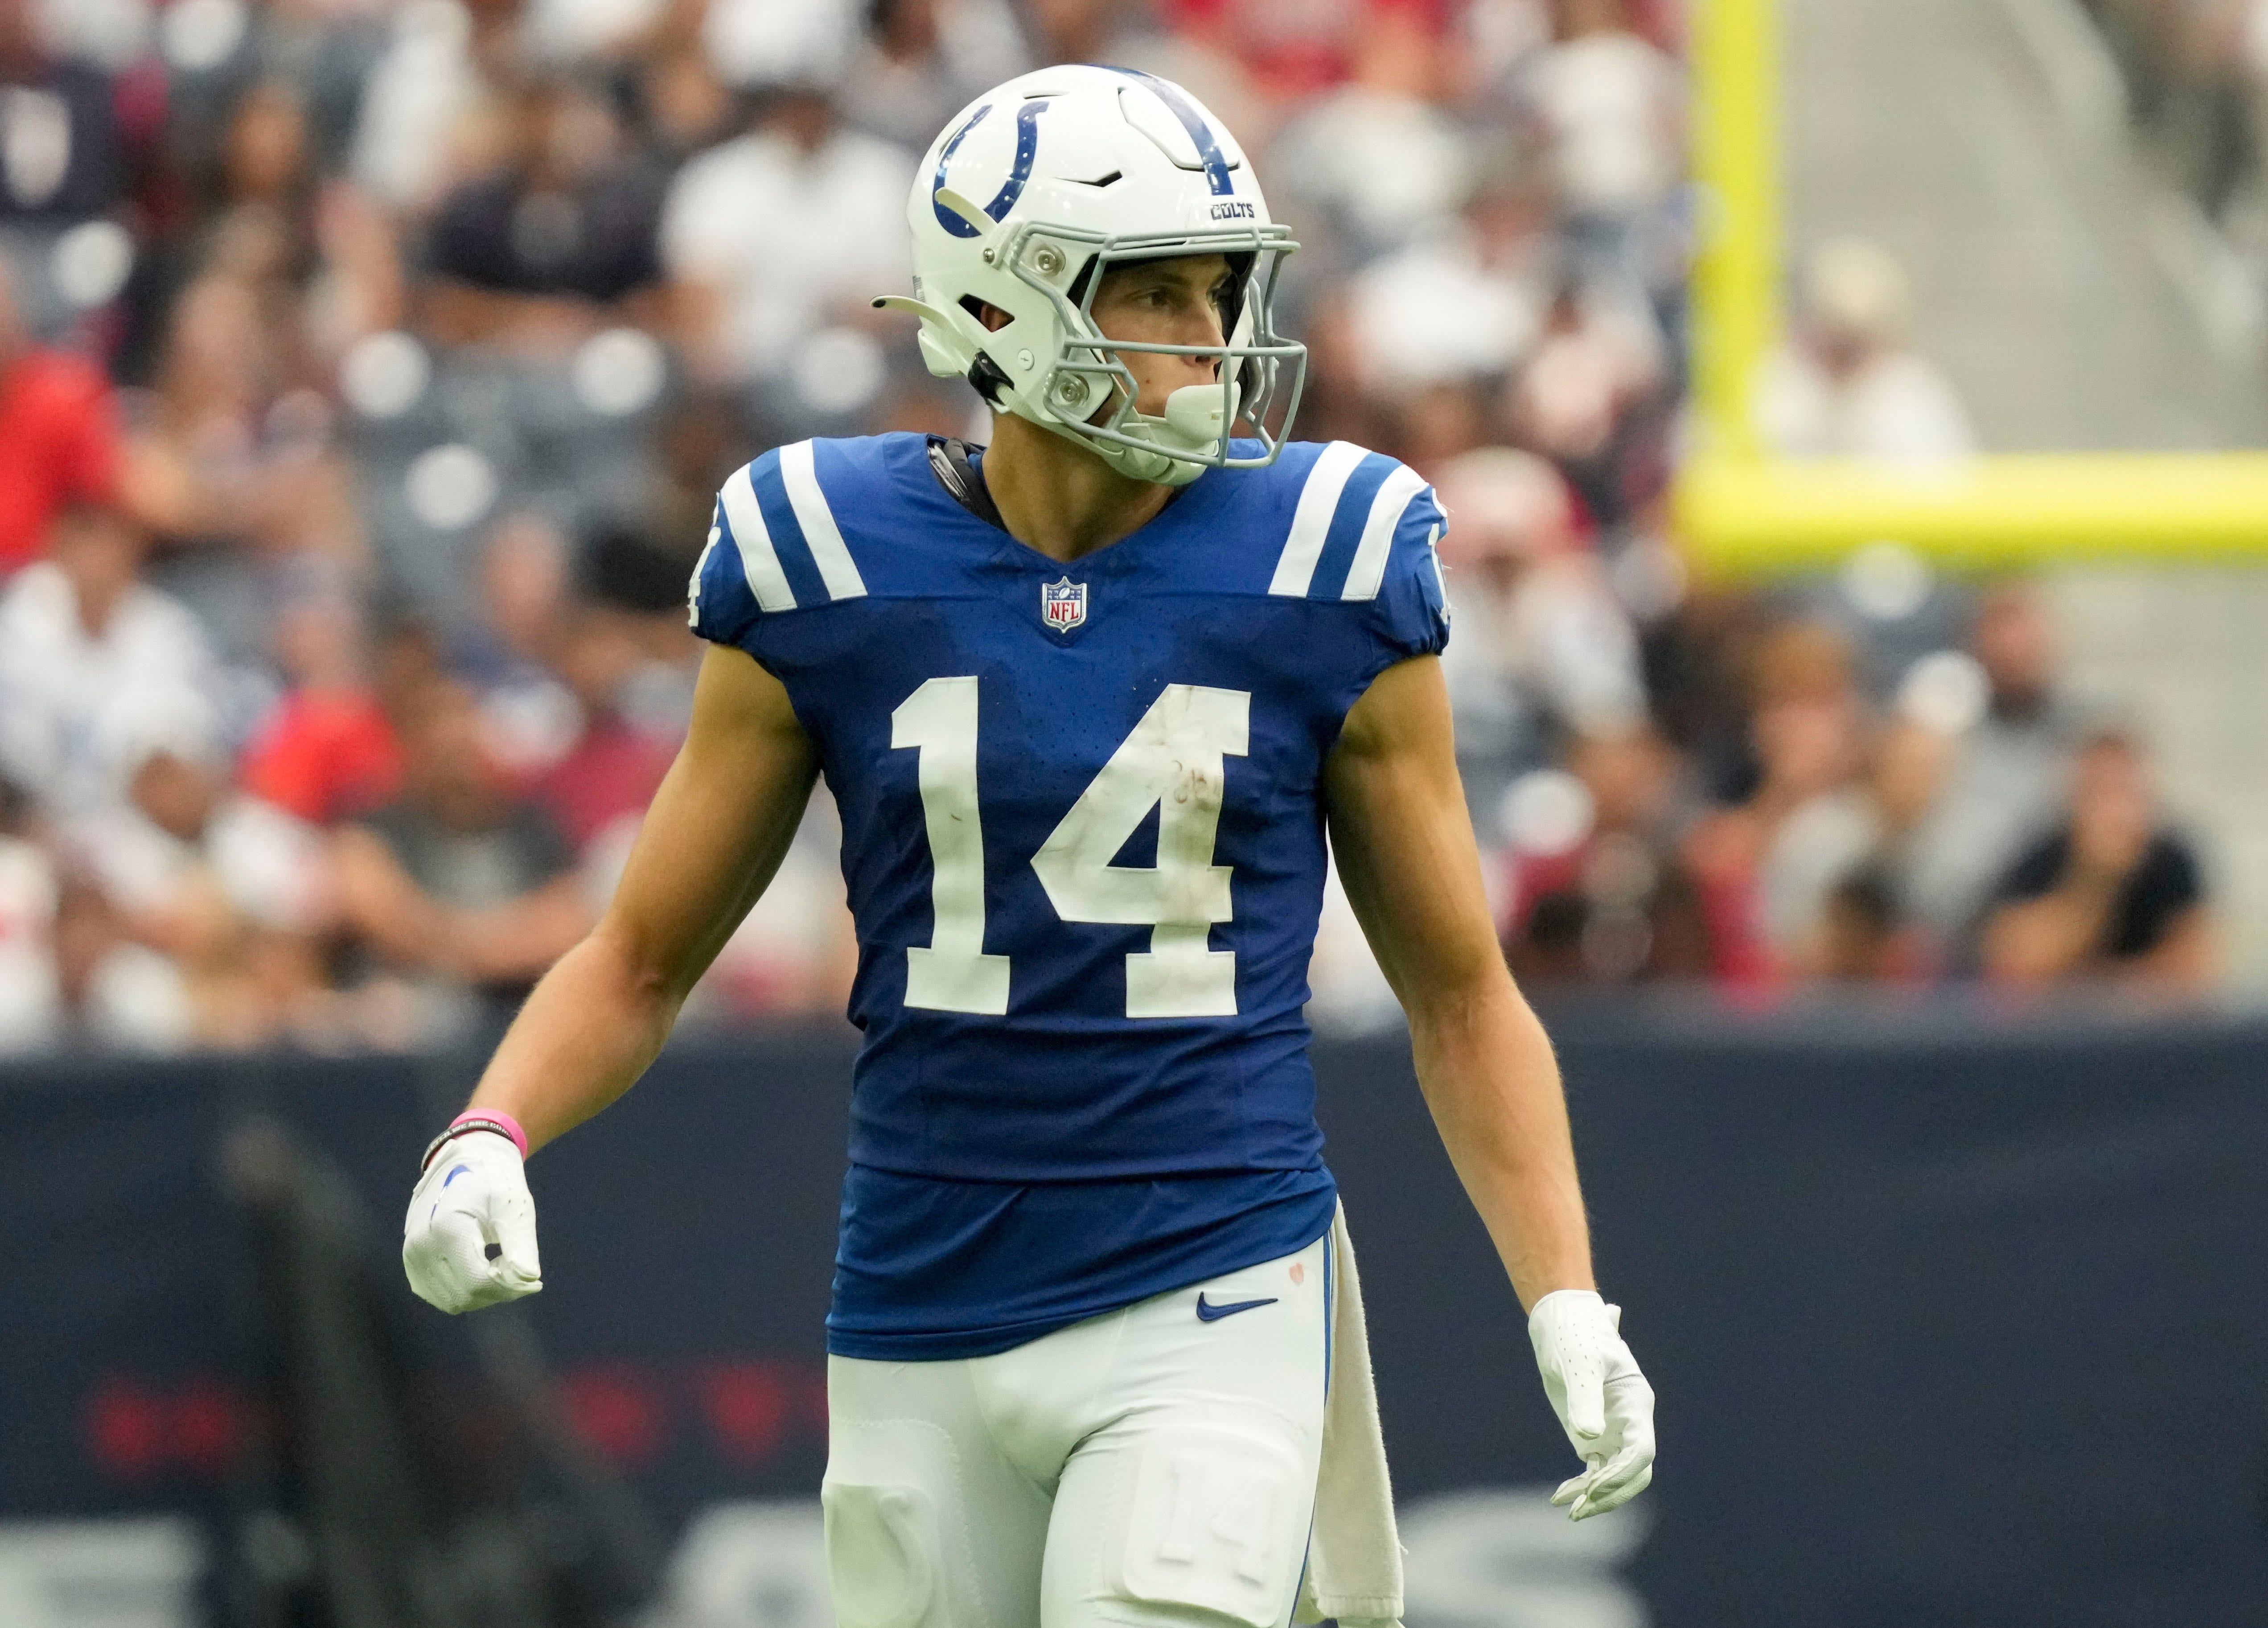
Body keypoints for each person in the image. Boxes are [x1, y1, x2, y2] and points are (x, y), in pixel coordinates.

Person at [400, 66, 1655, 1628]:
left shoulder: (1325, 558)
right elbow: (644, 952)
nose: (1209, 334)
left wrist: (1562, 1295)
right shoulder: (823, 555)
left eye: (1218, 288)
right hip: (917, 1297)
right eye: (1157, 293)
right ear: (1005, 307)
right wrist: (490, 1128)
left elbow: (1460, 992)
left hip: (1211, 1275)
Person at [1979, 728, 2214, 992]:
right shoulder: (2039, 855)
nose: (2111, 808)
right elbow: (2014, 964)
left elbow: (2198, 970)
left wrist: (2107, 987)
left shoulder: (2173, 859)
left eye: (2122, 790)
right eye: (2098, 790)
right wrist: (2095, 881)